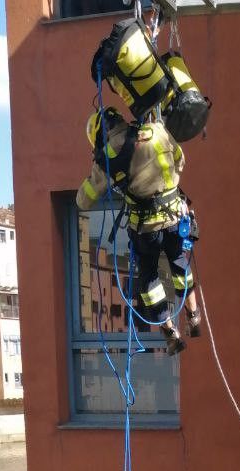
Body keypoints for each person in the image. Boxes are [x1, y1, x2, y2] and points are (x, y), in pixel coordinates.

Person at [77, 106, 200, 356]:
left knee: (150, 280)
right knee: (179, 265)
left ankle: (171, 333)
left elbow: (84, 201)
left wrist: (99, 166)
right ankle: (194, 315)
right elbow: (180, 160)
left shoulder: (110, 155)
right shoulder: (156, 130)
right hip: (176, 218)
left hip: (146, 230)